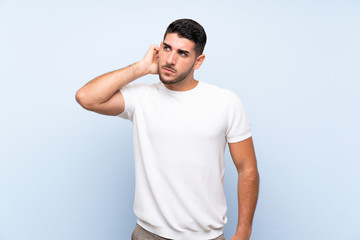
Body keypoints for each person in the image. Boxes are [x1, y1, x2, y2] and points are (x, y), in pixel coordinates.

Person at [76, 19, 259, 240]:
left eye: (182, 53)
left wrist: (243, 232)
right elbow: (86, 97)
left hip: (206, 236)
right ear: (158, 49)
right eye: (167, 48)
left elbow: (247, 169)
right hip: (148, 234)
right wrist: (141, 68)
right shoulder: (141, 98)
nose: (170, 60)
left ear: (198, 61)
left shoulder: (226, 102)